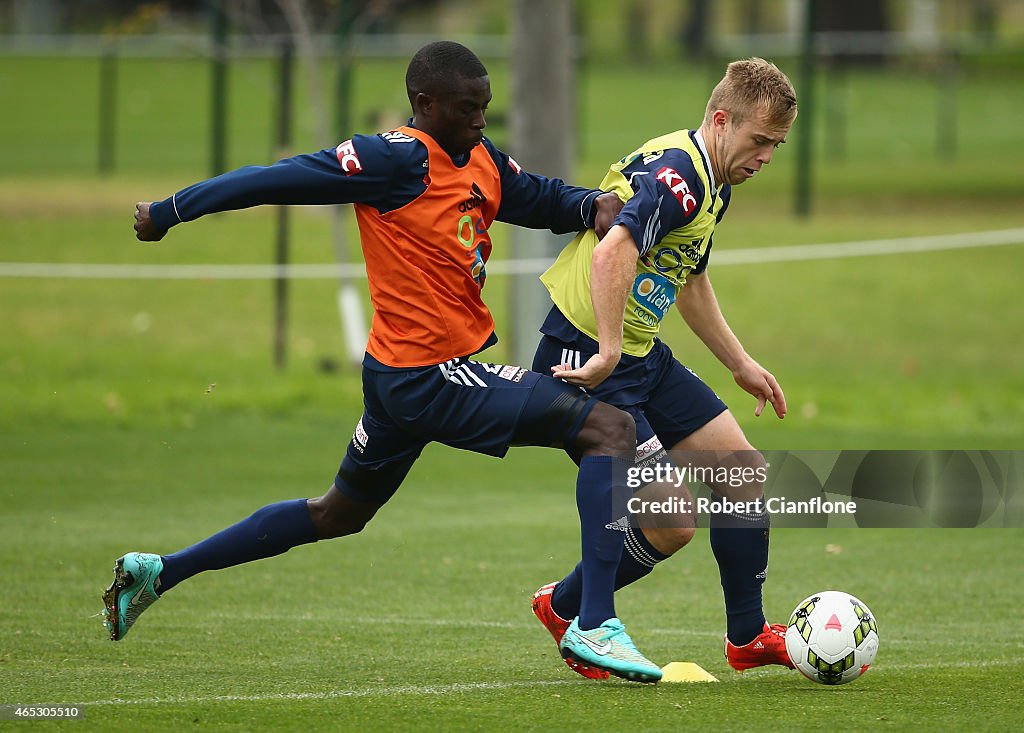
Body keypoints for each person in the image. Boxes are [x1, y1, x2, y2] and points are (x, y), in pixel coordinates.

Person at [102, 40, 664, 683]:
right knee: (608, 429)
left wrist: (591, 204)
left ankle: (158, 572)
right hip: (431, 376)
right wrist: (172, 210)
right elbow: (272, 178)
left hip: (401, 378)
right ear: (424, 104)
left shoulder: (478, 157)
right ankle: (592, 621)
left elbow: (534, 195)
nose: (481, 120)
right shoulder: (389, 160)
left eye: (485, 107)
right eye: (466, 108)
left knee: (337, 513)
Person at [529, 58, 798, 678]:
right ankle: (573, 612)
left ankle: (747, 637)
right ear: (721, 120)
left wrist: (740, 363)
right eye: (759, 141)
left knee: (741, 474)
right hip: (585, 354)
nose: (765, 157)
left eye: (776, 146)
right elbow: (612, 252)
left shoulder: (714, 180)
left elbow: (689, 276)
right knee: (673, 520)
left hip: (640, 356)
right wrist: (608, 348)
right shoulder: (680, 175)